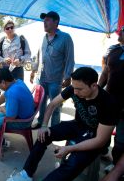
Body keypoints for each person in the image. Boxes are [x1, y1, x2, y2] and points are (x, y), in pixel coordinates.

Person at [7, 67, 118, 181]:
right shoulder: (74, 88)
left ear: (94, 86)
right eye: (74, 88)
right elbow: (52, 104)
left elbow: (100, 141)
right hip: (77, 125)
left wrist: (70, 148)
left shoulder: (109, 104)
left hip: (94, 137)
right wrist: (44, 126)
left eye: (79, 89)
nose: (75, 92)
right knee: (43, 136)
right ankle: (26, 173)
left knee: (73, 163)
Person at [31, 11, 74, 128]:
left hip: (55, 80)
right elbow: (39, 55)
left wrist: (68, 76)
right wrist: (34, 70)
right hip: (41, 78)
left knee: (55, 105)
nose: (44, 22)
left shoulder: (65, 38)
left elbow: (70, 58)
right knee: (41, 103)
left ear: (56, 22)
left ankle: (55, 128)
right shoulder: (44, 38)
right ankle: (40, 121)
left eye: (48, 20)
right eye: (44, 20)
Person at [0, 68, 34, 147]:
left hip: (23, 122)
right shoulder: (18, 82)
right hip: (25, 115)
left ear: (3, 82)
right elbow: (4, 95)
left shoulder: (12, 93)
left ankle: (2, 144)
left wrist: (2, 109)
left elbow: (11, 117)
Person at [99, 26, 124, 181]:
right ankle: (103, 153)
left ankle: (117, 166)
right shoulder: (114, 50)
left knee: (121, 141)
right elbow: (105, 72)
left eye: (123, 30)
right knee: (102, 135)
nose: (119, 32)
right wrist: (96, 89)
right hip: (109, 101)